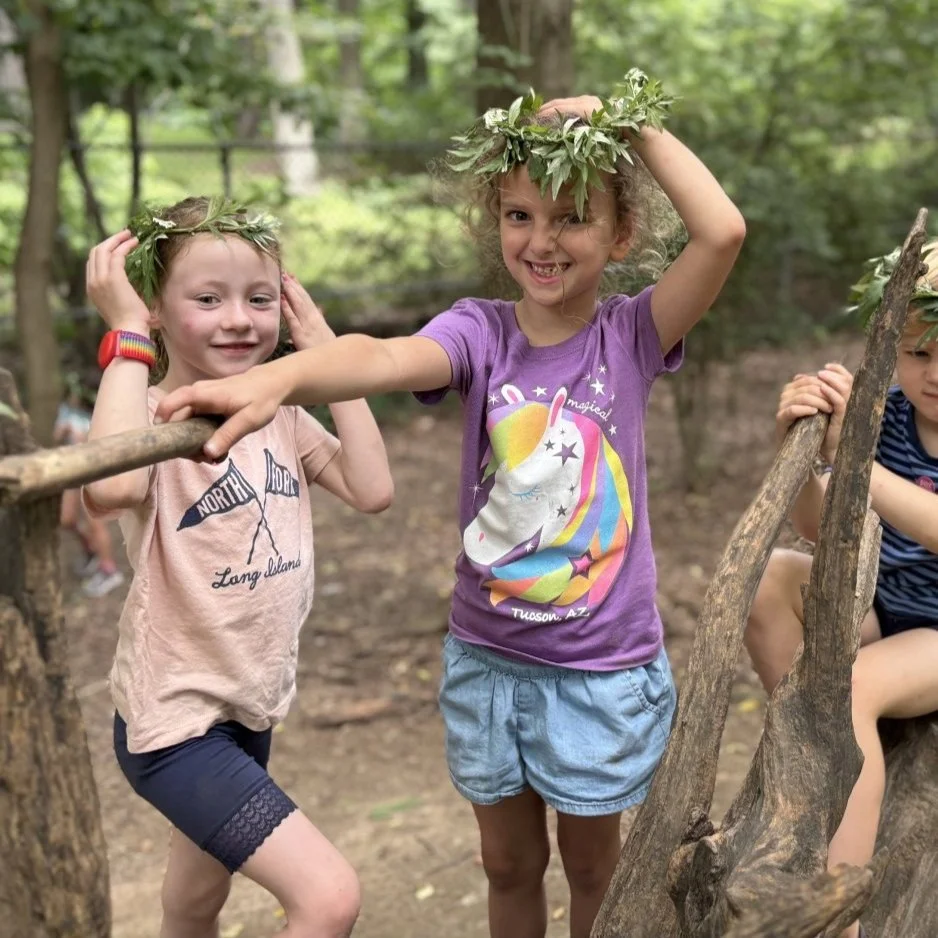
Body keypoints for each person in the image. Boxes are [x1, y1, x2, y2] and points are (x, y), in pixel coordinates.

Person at [156, 74, 746, 938]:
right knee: (507, 866)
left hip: (599, 669)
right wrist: (281, 375)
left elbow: (722, 230)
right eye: (518, 216)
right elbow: (386, 360)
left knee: (594, 869)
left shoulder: (632, 336)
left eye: (571, 217)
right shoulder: (479, 331)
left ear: (620, 234)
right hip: (488, 662)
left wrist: (625, 124)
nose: (541, 241)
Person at [83, 196, 393, 938]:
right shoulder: (153, 419)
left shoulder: (281, 416)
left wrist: (322, 353)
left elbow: (372, 488)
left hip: (245, 710)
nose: (237, 320)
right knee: (327, 899)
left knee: (193, 904)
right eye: (207, 299)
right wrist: (125, 333)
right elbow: (111, 488)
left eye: (259, 299)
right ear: (158, 307)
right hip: (176, 728)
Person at [745, 244, 938, 938]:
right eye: (918, 354)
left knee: (854, 687)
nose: (934, 373)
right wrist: (796, 449)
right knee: (772, 579)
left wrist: (850, 454)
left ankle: (837, 914)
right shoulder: (886, 416)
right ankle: (813, 761)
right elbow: (821, 531)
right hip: (886, 609)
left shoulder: (871, 435)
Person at [54, 375, 125, 596]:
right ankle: (91, 552)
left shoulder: (100, 412)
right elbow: (55, 436)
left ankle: (109, 571)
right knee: (66, 519)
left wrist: (81, 437)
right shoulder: (66, 409)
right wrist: (64, 431)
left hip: (92, 472)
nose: (73, 395)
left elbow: (103, 445)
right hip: (71, 472)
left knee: (96, 523)